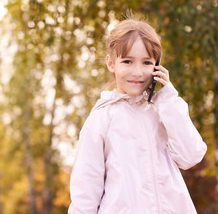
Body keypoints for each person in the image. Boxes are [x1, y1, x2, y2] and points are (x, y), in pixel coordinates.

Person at [68, 14, 207, 214]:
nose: (137, 72)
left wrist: (167, 98)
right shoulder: (101, 119)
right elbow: (86, 188)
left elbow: (191, 155)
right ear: (111, 63)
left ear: (157, 65)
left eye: (146, 62)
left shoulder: (164, 110)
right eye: (127, 61)